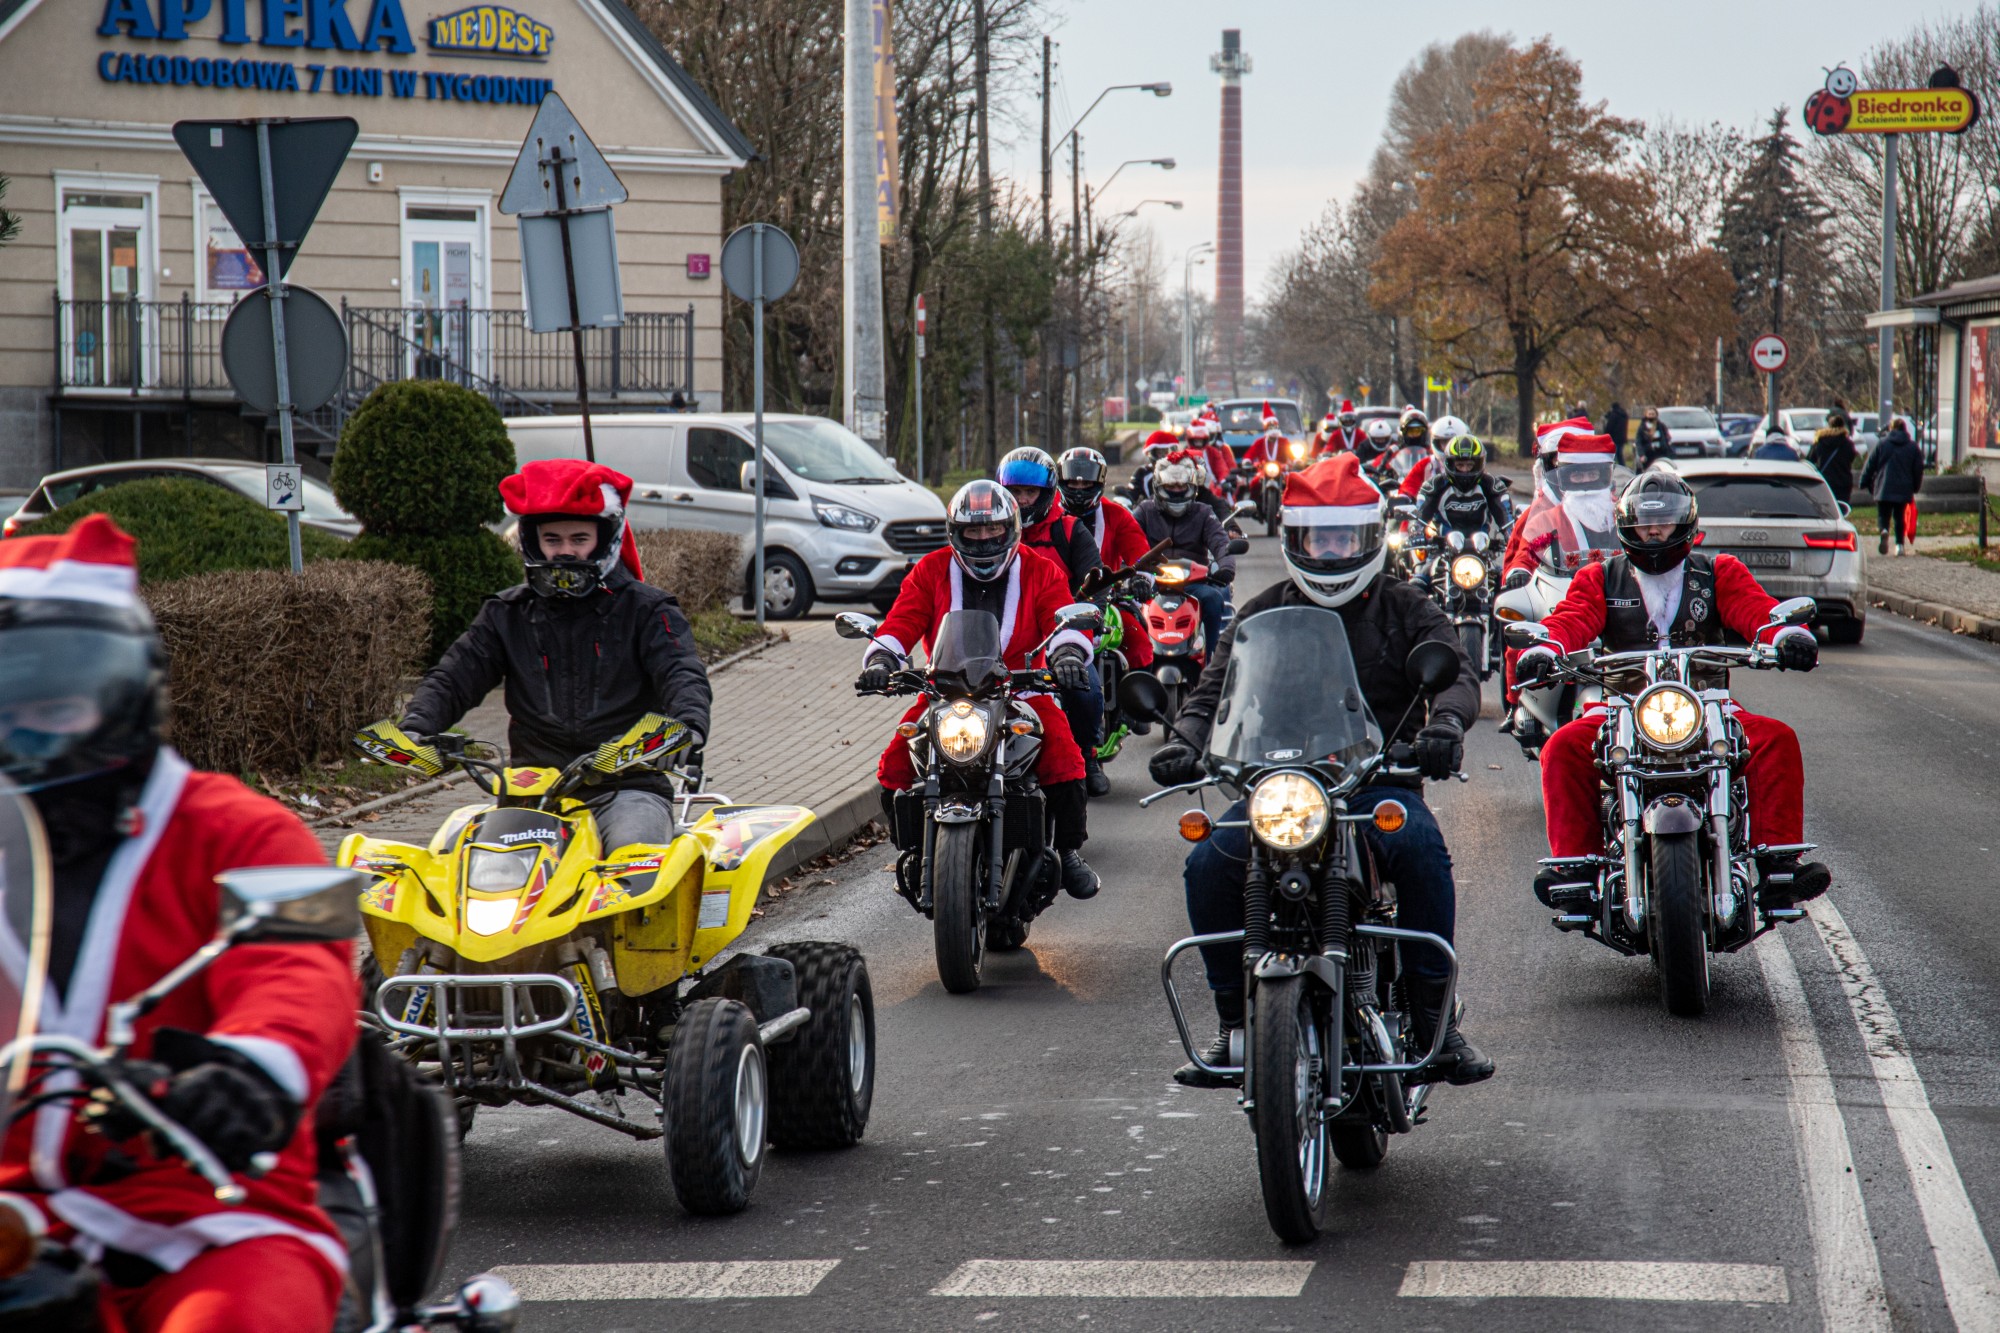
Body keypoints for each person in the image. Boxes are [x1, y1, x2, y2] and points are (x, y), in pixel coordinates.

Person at [0, 515, 358, 1333]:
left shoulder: (257, 831)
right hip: (15, 1222)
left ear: (122, 696)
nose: (22, 737)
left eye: (54, 707)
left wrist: (249, 1069)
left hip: (213, 1214)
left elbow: (305, 969)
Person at [1149, 456, 1494, 1089]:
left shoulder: (1406, 605)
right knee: (1208, 863)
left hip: (1377, 779)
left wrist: (1443, 727)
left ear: (1366, 538)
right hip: (1277, 785)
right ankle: (1234, 1022)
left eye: (1342, 538)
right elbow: (1212, 693)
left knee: (1418, 847)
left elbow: (1460, 675)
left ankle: (1434, 1023)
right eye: (1318, 539)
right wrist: (1188, 739)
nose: (1330, 551)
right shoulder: (1260, 613)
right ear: (1296, 541)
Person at [1514, 471, 1829, 910]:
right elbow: (1570, 620)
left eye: (1663, 522)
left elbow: (1758, 611)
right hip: (1621, 706)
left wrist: (1783, 636)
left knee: (1775, 739)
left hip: (1709, 705)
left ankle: (1779, 865)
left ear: (1686, 524)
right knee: (1562, 746)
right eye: (1644, 522)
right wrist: (1547, 648)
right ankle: (1577, 866)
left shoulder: (1719, 572)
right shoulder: (1599, 578)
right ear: (1628, 526)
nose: (1655, 531)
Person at [402, 458, 711, 855]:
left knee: (635, 860)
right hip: (531, 795)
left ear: (605, 538)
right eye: (553, 540)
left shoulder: (648, 610)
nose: (565, 552)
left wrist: (687, 727)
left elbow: (682, 672)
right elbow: (456, 675)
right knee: (463, 865)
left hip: (626, 787)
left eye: (579, 539)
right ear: (533, 541)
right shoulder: (506, 613)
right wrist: (416, 727)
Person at [862, 480, 1100, 899]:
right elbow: (901, 620)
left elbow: (1063, 616)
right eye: (974, 532)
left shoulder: (1041, 569)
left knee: (1065, 755)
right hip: (945, 692)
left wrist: (1066, 656)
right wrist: (883, 659)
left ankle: (1067, 850)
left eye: (993, 531)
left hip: (1022, 691)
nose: (985, 540)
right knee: (895, 764)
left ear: (1011, 529)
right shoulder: (931, 569)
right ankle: (918, 851)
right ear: (957, 533)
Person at [998, 447, 1109, 795]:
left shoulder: (1070, 530)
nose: (1022, 500)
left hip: (1059, 638)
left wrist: (1077, 635)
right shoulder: (989, 532)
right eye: (1015, 492)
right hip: (1001, 640)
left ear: (1046, 494)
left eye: (1029, 492)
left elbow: (1096, 584)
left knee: (1084, 689)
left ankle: (1086, 756)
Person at [1057, 445, 1155, 680]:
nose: (1079, 490)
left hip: (1110, 602)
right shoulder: (1049, 517)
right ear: (1061, 482)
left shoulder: (1117, 514)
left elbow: (1138, 550)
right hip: (1055, 604)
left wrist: (1142, 578)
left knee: (1141, 646)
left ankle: (1137, 713)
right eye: (1073, 483)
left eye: (1086, 484)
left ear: (1099, 483)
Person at [1131, 455, 1236, 658]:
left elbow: (1221, 542)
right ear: (1159, 486)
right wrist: (1129, 571)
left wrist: (1225, 568)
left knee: (1214, 598)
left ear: (1192, 486)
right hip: (1151, 582)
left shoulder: (1204, 512)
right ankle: (1135, 665)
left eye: (1182, 487)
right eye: (1171, 486)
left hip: (1193, 583)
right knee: (1126, 609)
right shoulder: (1145, 510)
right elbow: (1127, 538)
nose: (1177, 491)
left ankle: (1213, 661)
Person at [1414, 434, 1513, 543]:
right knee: (1418, 558)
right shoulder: (1434, 485)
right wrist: (1417, 532)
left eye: (1469, 465)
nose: (1465, 470)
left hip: (1482, 550)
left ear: (1478, 464)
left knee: (1512, 559)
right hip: (1442, 550)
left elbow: (1505, 514)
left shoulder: (1491, 485)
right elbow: (1420, 513)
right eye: (1460, 465)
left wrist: (1511, 534)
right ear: (1450, 464)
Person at [1858, 416, 1925, 556]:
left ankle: (1884, 530)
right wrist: (1915, 486)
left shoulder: (1882, 444)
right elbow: (1918, 469)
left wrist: (1864, 481)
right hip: (1903, 487)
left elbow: (1870, 464)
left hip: (1883, 485)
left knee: (1883, 514)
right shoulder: (1913, 447)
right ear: (1905, 430)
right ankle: (1899, 546)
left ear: (1891, 429)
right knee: (1899, 516)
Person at [1808, 411, 1859, 507]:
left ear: (1828, 426)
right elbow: (1851, 458)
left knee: (1825, 509)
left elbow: (1810, 460)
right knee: (1841, 509)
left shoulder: (1820, 442)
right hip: (1843, 481)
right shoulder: (1848, 444)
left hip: (1825, 481)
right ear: (1843, 426)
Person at [1601, 401, 1630, 466]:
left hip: (1614, 437)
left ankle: (1614, 467)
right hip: (1622, 438)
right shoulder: (1624, 415)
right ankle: (1623, 466)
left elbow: (1610, 426)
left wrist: (1605, 435)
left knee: (1614, 454)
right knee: (1619, 454)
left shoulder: (1614, 415)